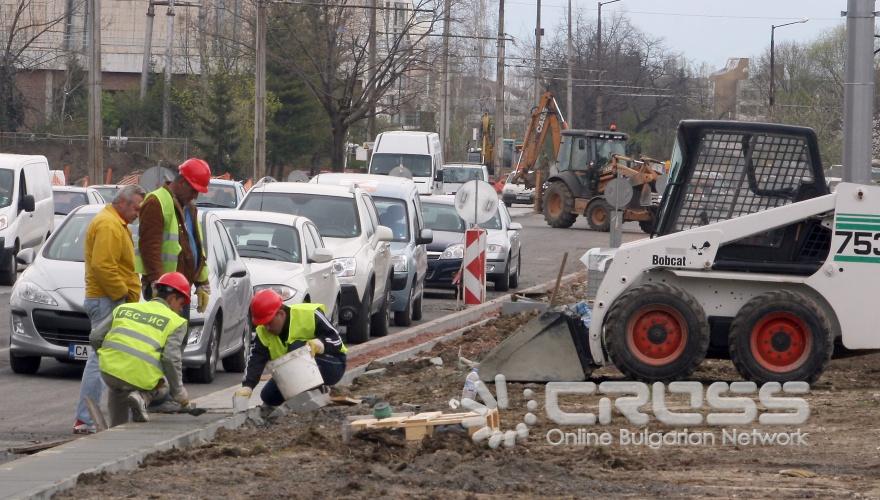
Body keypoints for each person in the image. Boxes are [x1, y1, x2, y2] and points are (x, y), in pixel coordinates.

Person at [73, 184, 146, 434]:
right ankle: (86, 419)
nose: (138, 214)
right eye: (136, 208)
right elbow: (103, 266)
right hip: (108, 300)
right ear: (122, 203)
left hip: (109, 299)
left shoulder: (115, 223)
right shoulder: (109, 225)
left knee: (107, 358)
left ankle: (95, 417)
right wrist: (122, 295)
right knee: (100, 359)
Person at [90, 272, 191, 426]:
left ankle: (116, 429)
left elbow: (95, 337)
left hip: (109, 372)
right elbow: (170, 359)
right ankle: (143, 398)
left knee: (119, 386)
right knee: (165, 382)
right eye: (181, 304)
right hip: (140, 377)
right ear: (172, 298)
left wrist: (110, 358)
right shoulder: (176, 322)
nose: (181, 309)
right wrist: (180, 394)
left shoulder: (125, 308)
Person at [234, 290, 347, 406]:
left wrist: (320, 344)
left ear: (281, 314)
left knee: (295, 349)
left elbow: (336, 339)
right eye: (263, 324)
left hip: (331, 364)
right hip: (292, 370)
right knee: (268, 396)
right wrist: (248, 386)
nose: (267, 328)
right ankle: (301, 396)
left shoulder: (309, 314)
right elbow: (256, 359)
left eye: (269, 323)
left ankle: (317, 392)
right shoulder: (263, 332)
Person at [135, 159, 211, 316]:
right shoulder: (156, 202)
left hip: (180, 291)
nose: (195, 196)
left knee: (179, 332)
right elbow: (149, 248)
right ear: (182, 182)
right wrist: (159, 286)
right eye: (193, 190)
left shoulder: (189, 208)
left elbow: (196, 247)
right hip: (165, 293)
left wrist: (202, 282)